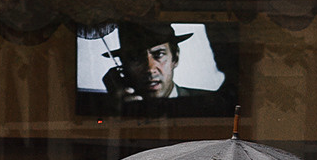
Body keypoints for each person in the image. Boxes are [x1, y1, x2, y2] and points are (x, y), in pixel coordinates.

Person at [98, 22, 231, 118]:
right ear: (123, 65)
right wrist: (117, 113)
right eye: (136, 58)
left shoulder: (210, 104)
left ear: (175, 58)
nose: (150, 69)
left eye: (159, 55)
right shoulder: (110, 108)